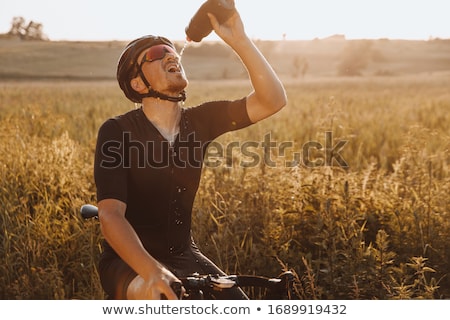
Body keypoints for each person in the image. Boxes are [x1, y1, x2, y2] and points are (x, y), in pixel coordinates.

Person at [94, 9, 287, 300]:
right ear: (137, 83)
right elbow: (110, 215)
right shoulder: (117, 131)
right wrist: (153, 271)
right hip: (130, 263)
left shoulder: (200, 121)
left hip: (185, 256)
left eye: (173, 52)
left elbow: (272, 100)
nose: (171, 56)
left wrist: (240, 41)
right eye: (158, 53)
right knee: (162, 298)